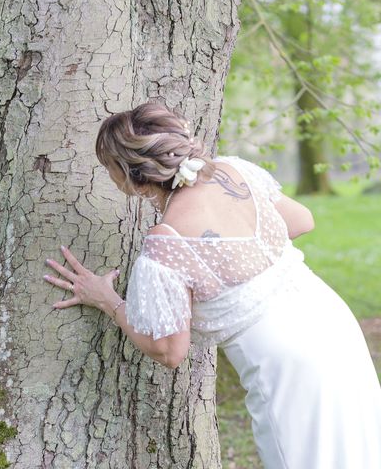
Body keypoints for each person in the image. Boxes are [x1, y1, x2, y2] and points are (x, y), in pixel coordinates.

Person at [43, 103, 381, 468]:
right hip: (327, 316)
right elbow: (302, 220)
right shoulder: (235, 171)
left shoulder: (167, 243)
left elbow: (168, 350)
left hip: (286, 361)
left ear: (129, 177)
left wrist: (107, 299)